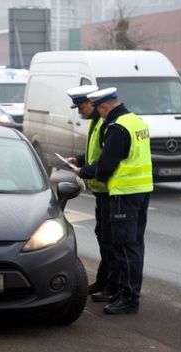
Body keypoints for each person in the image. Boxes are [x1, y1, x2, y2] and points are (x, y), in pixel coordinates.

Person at [85, 87, 153, 315]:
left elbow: (104, 170)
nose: (99, 115)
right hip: (141, 190)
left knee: (124, 247)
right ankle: (127, 292)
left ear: (104, 107)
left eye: (99, 110)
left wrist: (84, 171)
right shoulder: (135, 121)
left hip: (124, 193)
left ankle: (128, 298)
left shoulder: (117, 128)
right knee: (135, 245)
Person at [65, 85, 118, 301]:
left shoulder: (106, 123)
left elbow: (106, 159)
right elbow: (95, 153)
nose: (79, 112)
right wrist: (79, 159)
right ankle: (104, 281)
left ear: (93, 103)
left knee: (110, 240)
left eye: (81, 106)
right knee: (103, 237)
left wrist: (84, 171)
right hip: (101, 190)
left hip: (110, 190)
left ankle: (111, 286)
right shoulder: (96, 123)